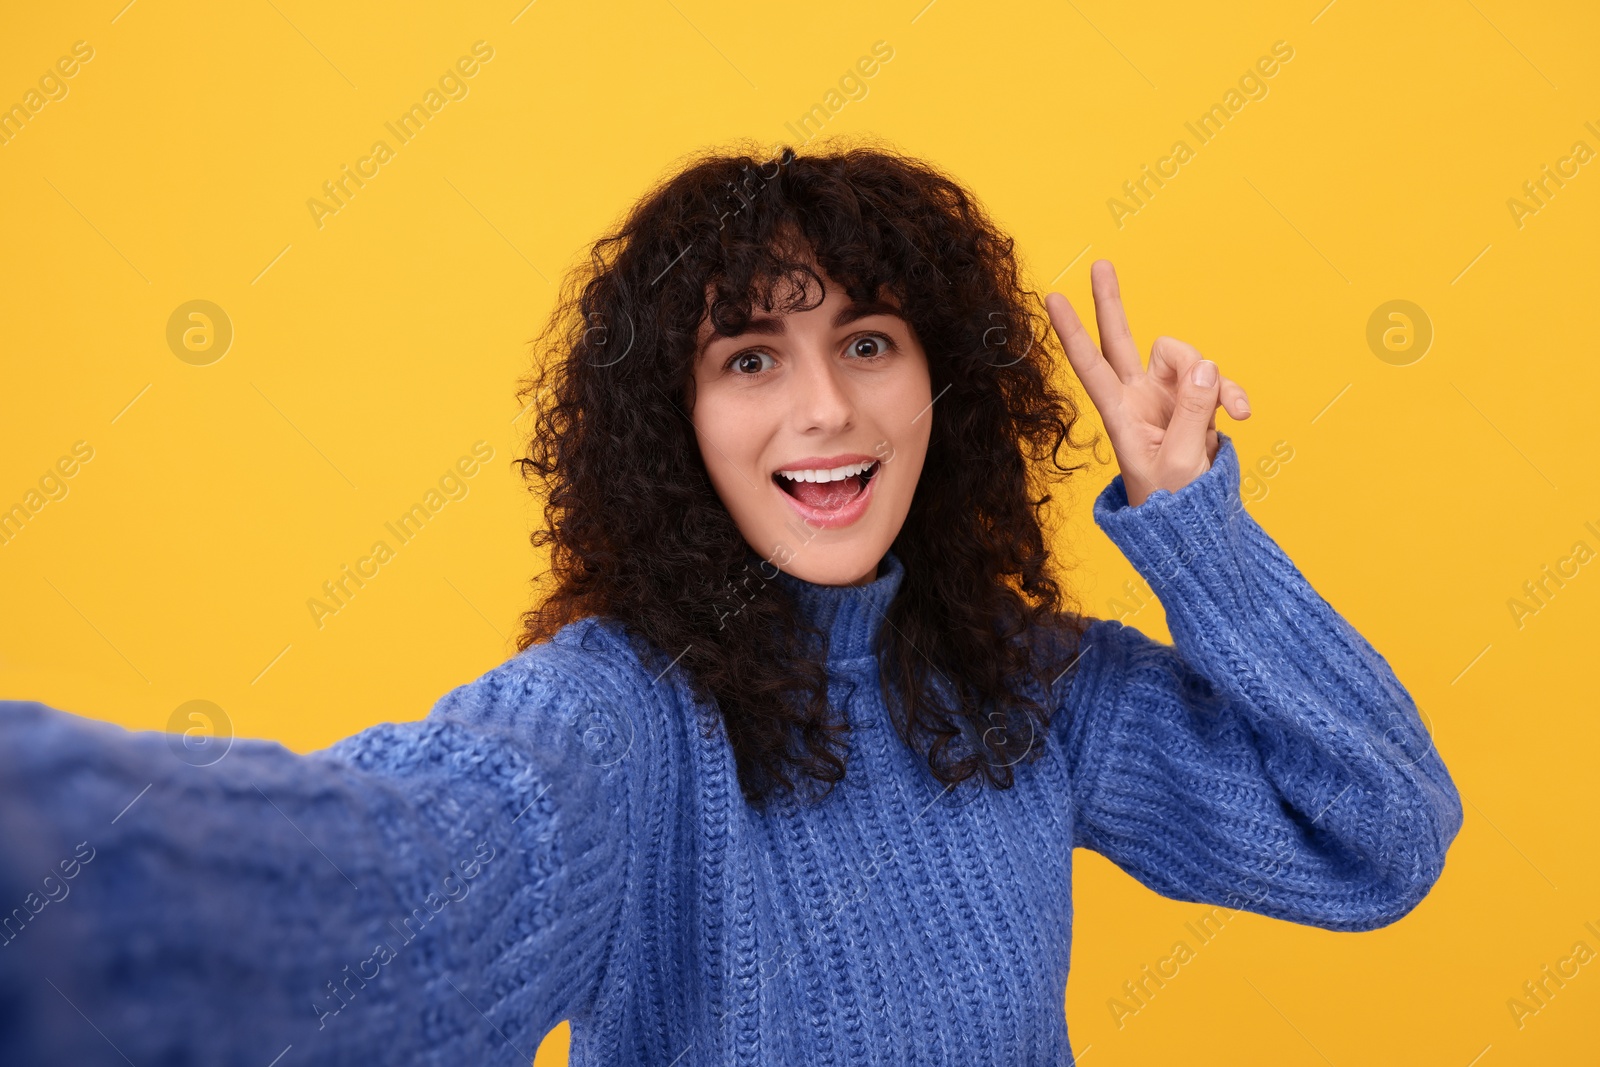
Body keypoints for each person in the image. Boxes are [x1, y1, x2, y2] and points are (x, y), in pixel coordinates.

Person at [0, 141, 1462, 1066]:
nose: (825, 411)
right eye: (750, 358)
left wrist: (1192, 525)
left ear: (939, 384)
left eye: (870, 342)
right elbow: (418, 885)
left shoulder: (1032, 685)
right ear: (674, 423)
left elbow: (1377, 839)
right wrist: (64, 867)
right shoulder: (617, 714)